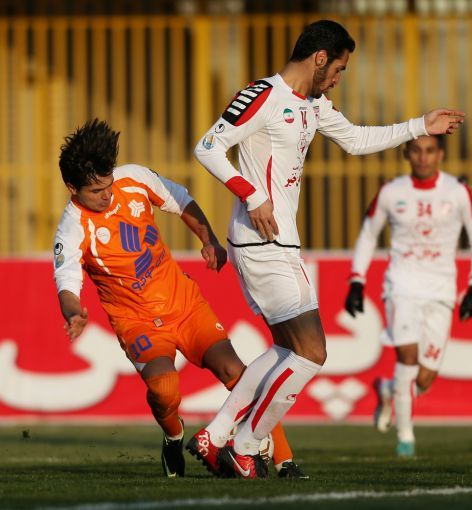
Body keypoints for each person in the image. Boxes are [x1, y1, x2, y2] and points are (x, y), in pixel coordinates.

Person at [190, 19, 465, 478]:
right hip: (260, 241)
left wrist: (420, 124)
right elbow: (208, 147)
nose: (338, 78)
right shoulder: (262, 95)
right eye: (338, 69)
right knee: (311, 352)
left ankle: (216, 434)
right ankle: (246, 443)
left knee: (287, 350)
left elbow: (356, 140)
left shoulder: (312, 104)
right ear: (320, 59)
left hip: (281, 242)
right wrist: (252, 196)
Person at [53, 119, 301, 479]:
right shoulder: (71, 227)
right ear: (72, 187)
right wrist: (74, 311)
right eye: (95, 191)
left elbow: (181, 200)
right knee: (164, 389)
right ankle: (172, 435)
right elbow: (67, 280)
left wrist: (208, 239)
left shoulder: (134, 178)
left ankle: (285, 461)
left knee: (235, 371)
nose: (106, 195)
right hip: (136, 321)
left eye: (108, 185)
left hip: (184, 304)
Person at [343, 134, 472, 456]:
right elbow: (368, 235)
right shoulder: (391, 192)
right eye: (417, 151)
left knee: (424, 378)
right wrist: (357, 281)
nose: (423, 157)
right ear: (407, 154)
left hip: (441, 290)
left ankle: (387, 390)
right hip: (402, 286)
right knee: (407, 357)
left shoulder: (458, 191)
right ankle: (405, 438)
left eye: (430, 151)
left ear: (440, 154)